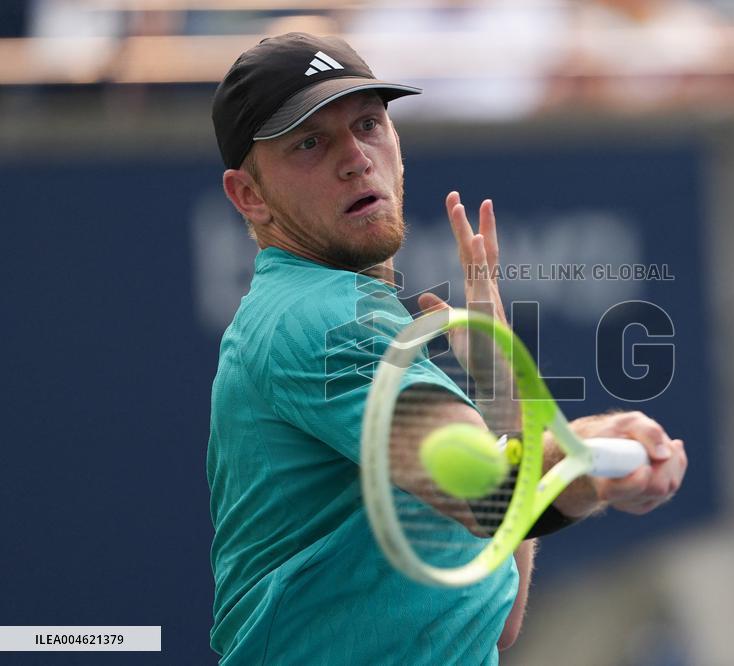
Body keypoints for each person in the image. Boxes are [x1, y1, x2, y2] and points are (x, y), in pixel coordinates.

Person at [207, 32, 687, 665]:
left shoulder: (346, 314)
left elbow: (499, 620)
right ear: (250, 196)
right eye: (310, 143)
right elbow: (489, 492)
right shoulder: (316, 318)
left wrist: (501, 398)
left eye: (369, 123)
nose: (356, 158)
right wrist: (591, 450)